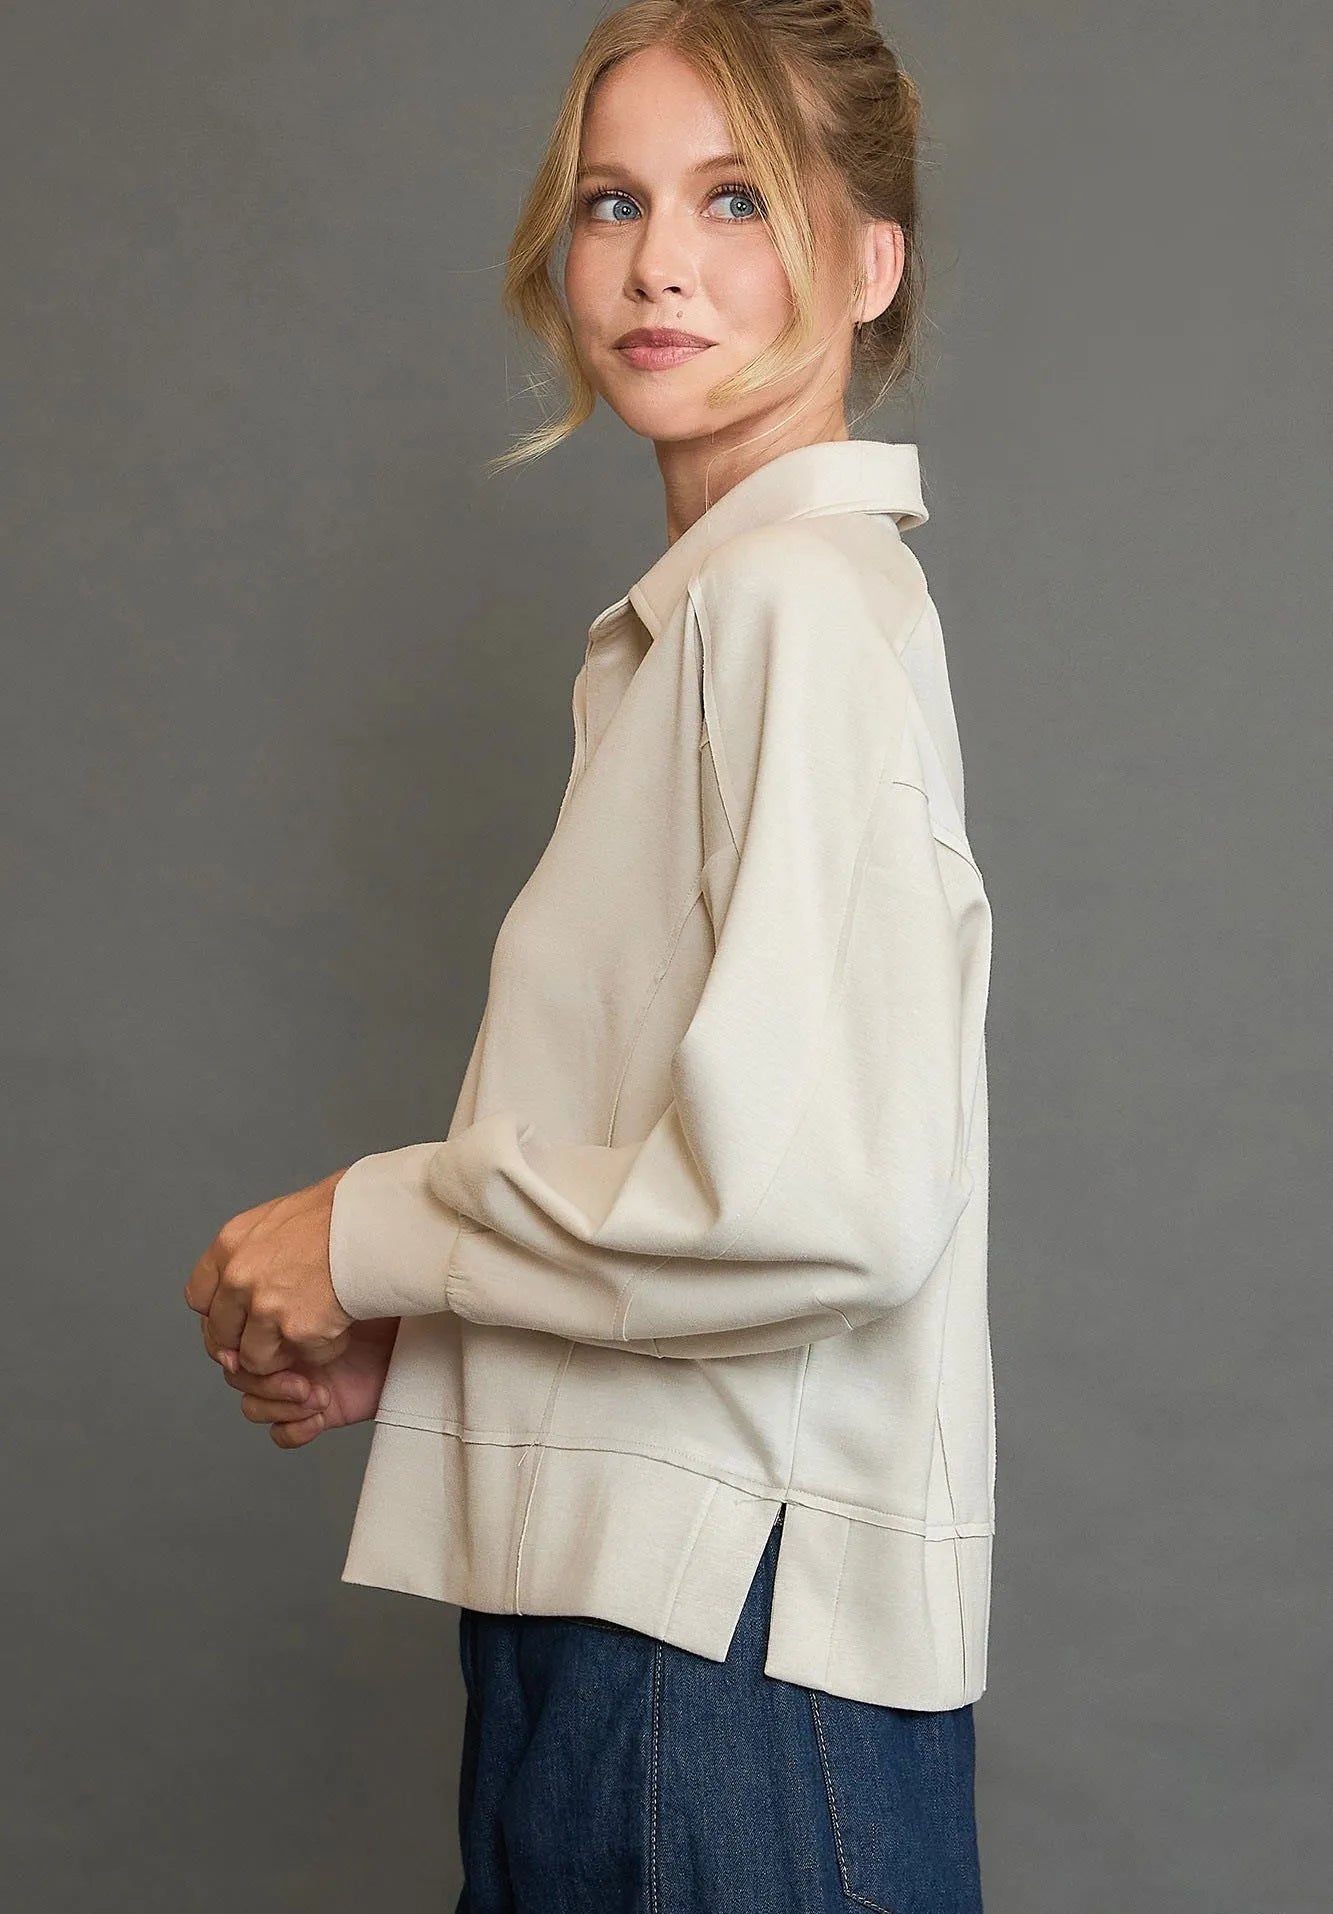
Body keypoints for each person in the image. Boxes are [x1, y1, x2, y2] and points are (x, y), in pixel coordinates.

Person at [185, 4, 996, 1908]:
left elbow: (828, 1204)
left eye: (736, 197)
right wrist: (443, 1322)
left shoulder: (796, 608)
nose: (656, 262)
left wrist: (371, 1228)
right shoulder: (704, 629)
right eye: (610, 201)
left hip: (720, 1667)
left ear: (869, 263)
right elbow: (705, 1170)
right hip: (629, 1630)